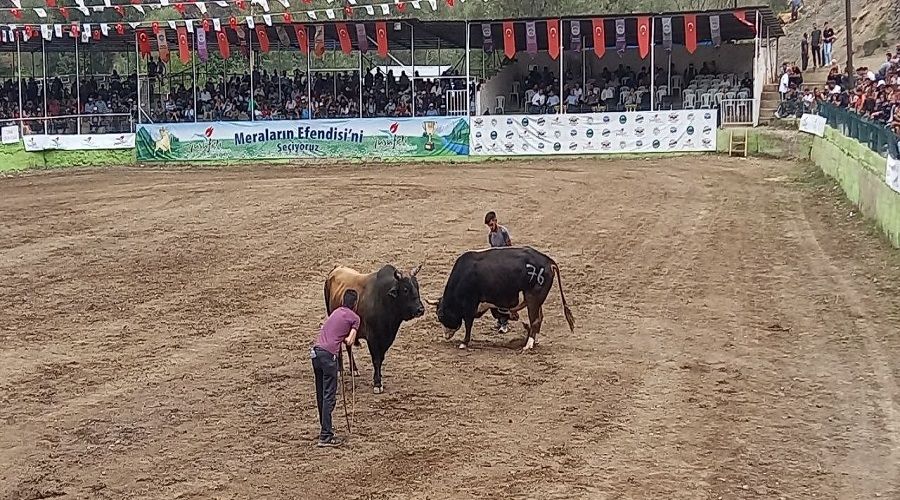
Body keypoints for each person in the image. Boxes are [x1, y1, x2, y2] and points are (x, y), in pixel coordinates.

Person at [311, 289, 360, 448]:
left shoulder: (336, 312)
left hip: (316, 353)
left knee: (321, 394)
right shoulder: (355, 318)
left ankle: (325, 428)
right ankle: (326, 436)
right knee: (329, 396)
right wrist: (344, 337)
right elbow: (350, 341)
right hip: (329, 356)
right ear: (355, 303)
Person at [484, 211, 512, 333]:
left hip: (505, 265)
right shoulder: (490, 236)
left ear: (495, 220)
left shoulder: (503, 232)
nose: (491, 227)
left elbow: (510, 248)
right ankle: (500, 321)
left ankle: (504, 323)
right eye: (489, 225)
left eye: (491, 224)